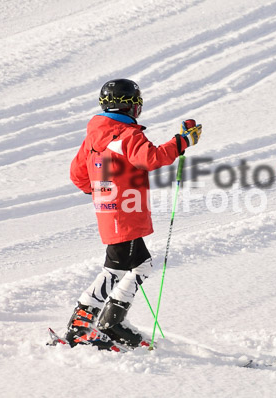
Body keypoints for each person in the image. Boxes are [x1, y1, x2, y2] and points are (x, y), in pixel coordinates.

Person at [66, 78, 202, 349]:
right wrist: (182, 141)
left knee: (139, 264)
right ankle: (82, 326)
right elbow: (150, 158)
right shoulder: (126, 135)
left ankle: (110, 322)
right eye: (138, 104)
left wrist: (99, 190)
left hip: (111, 210)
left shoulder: (95, 134)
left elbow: (78, 174)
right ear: (131, 107)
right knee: (116, 269)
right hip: (123, 212)